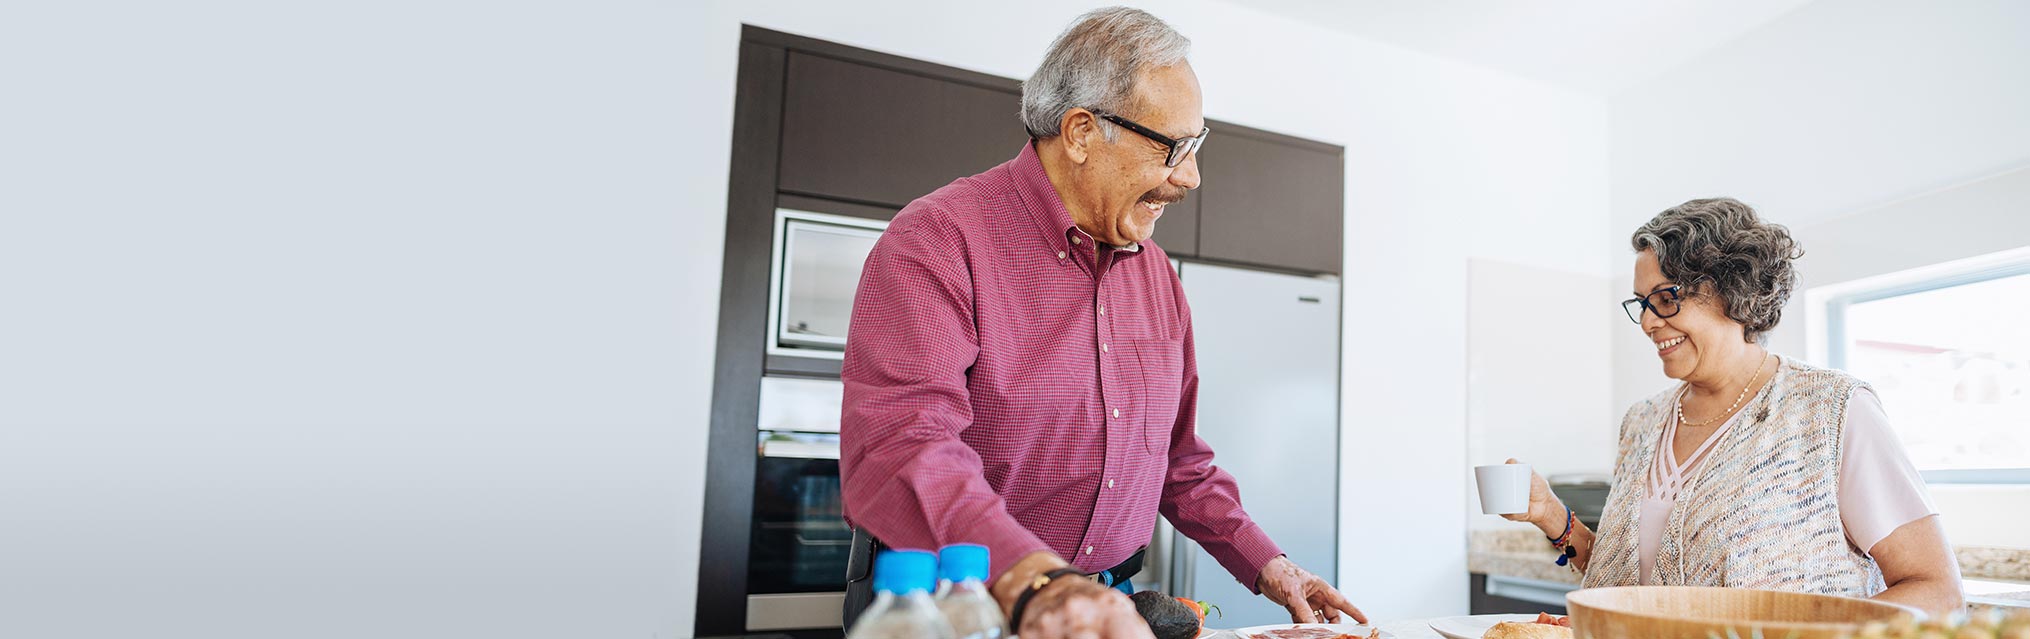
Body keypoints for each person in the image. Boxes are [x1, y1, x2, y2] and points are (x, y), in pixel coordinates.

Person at [839, 7, 1362, 637]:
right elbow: (902, 447)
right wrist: (1039, 583)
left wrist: (1269, 564)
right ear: (1083, 132)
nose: (1191, 177)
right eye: (1172, 147)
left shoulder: (1158, 273)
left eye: (1197, 146)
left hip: (1111, 610)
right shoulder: (938, 240)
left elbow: (1180, 461)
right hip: (950, 610)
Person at [1504, 197, 1964, 614]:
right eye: (1642, 303)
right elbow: (1630, 585)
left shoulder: (1830, 410)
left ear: (1734, 291)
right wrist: (1552, 515)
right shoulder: (1642, 421)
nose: (1646, 322)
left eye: (1666, 299)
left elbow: (1938, 593)